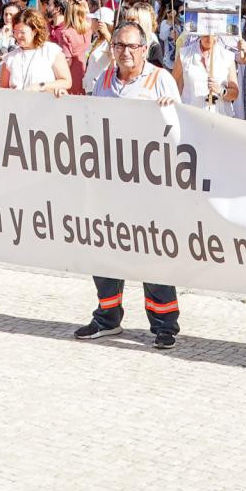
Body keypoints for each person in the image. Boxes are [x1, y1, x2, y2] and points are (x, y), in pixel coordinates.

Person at [73, 20, 183, 348]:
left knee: (152, 251)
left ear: (144, 48)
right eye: (118, 46)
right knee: (105, 247)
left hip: (150, 183)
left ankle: (164, 324)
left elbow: (183, 131)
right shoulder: (105, 81)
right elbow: (92, 123)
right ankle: (107, 317)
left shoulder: (161, 80)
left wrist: (169, 114)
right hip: (110, 181)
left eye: (132, 46)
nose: (124, 52)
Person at [0, 8, 71, 94]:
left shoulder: (51, 51)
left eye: (22, 32)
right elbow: (2, 91)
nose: (18, 35)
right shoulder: (9, 58)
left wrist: (41, 86)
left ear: (35, 31)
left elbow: (66, 81)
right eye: (15, 31)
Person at [176, 29, 239, 114]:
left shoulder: (227, 57)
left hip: (219, 118)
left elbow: (235, 94)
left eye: (213, 34)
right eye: (205, 34)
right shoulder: (184, 54)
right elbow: (173, 87)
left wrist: (221, 91)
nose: (209, 38)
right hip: (191, 117)